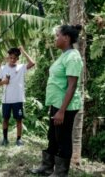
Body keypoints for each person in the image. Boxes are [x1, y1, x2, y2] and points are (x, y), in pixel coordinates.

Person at [30, 24, 83, 177]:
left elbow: (72, 86)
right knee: (52, 137)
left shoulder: (73, 56)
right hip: (57, 104)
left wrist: (61, 111)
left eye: (57, 35)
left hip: (65, 107)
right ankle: (46, 168)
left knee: (63, 139)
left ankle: (60, 173)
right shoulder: (64, 54)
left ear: (66, 38)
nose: (55, 38)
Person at [0, 46, 35, 146]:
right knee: (5, 119)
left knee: (19, 120)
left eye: (15, 58)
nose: (12, 60)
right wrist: (4, 81)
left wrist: (23, 51)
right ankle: (5, 139)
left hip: (18, 99)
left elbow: (32, 63)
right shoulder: (3, 68)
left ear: (18, 58)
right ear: (8, 57)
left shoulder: (21, 67)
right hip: (6, 100)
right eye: (11, 57)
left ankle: (19, 139)